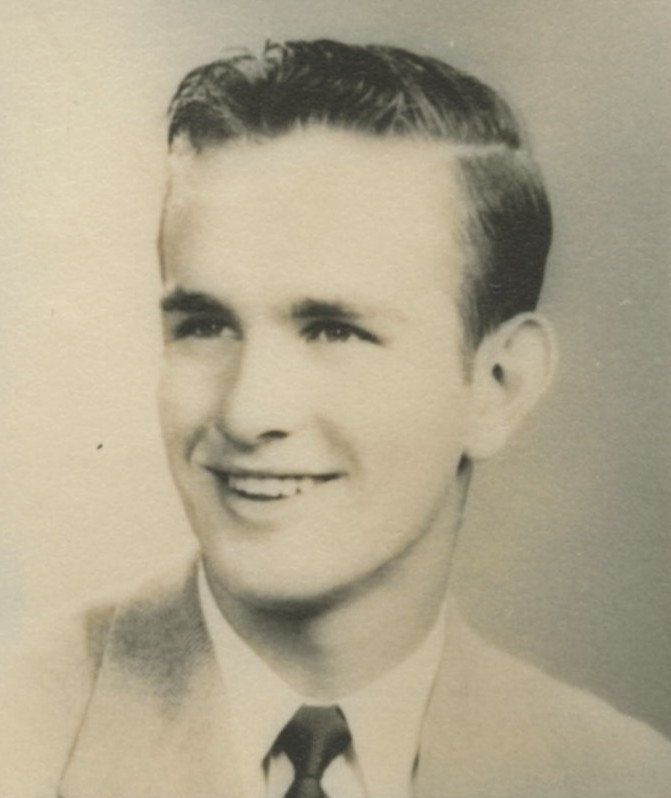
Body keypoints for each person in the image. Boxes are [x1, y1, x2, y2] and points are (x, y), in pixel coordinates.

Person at [2, 39, 670, 798]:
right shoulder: (20, 735)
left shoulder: (620, 779)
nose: (248, 411)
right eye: (205, 325)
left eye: (333, 331)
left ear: (498, 386)